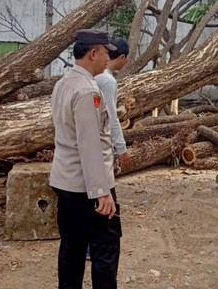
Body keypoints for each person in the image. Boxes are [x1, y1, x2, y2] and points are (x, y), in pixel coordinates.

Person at [50, 29, 121, 289]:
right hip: (88, 187)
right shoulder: (86, 91)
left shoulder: (64, 83)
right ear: (93, 53)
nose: (107, 59)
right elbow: (90, 145)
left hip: (65, 180)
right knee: (105, 249)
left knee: (72, 247)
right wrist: (102, 192)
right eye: (105, 53)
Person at [95, 36, 130, 167]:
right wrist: (121, 148)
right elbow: (111, 116)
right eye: (126, 58)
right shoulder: (107, 81)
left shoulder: (94, 73)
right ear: (121, 57)